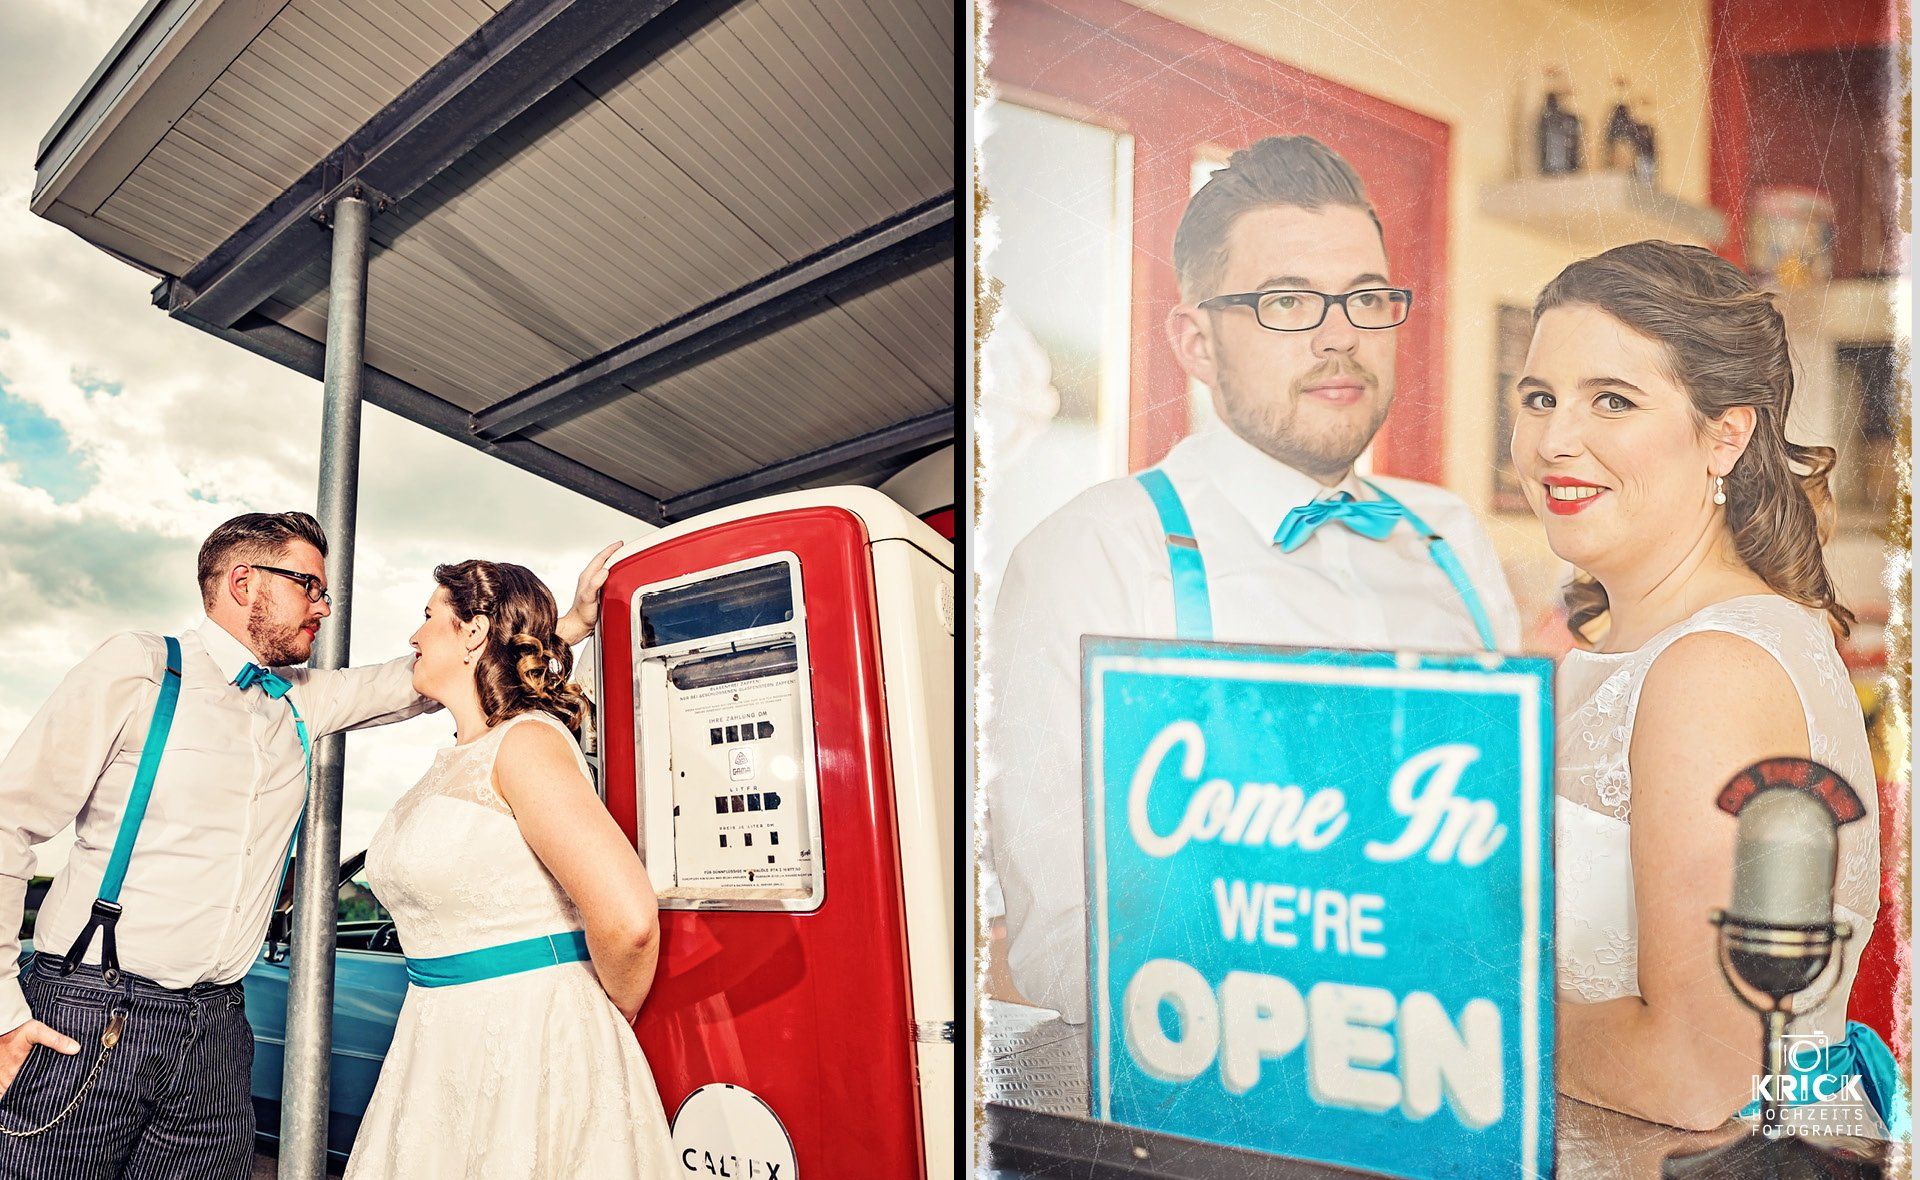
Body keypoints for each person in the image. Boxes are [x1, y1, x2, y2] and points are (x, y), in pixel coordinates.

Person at [984, 136, 1522, 1024]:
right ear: (1196, 341)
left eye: (1365, 299)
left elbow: (1504, 862)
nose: (1340, 335)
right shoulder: (1091, 559)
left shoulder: (1451, 538)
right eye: (1287, 302)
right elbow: (1068, 942)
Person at [0, 512, 615, 1178]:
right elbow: (9, 824)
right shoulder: (141, 667)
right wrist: (3, 1013)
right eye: (308, 585)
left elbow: (449, 670)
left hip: (217, 1032)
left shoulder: (301, 701)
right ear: (244, 583)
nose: (324, 606)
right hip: (90, 1013)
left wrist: (570, 624)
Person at [1513, 240, 1894, 1132]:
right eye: (1540, 398)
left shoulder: (1711, 670)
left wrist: (1455, 1021)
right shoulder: (1624, 649)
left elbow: (1699, 1074)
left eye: (1612, 399)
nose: (1553, 441)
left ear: (1727, 433)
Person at [344, 559, 671, 1177]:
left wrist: (598, 1020)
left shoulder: (527, 743)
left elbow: (629, 920)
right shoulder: (457, 757)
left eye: (428, 617)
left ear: (473, 633)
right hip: (436, 1039)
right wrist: (569, 624)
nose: (413, 637)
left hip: (530, 1041)